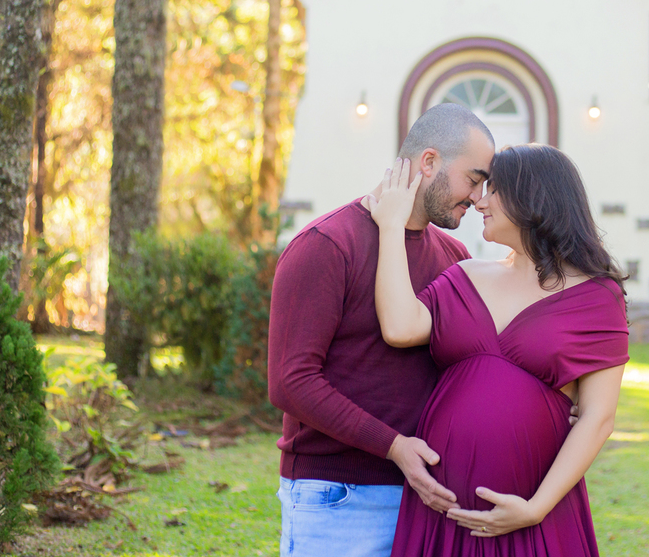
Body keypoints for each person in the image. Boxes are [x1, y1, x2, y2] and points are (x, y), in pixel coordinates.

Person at [367, 143, 629, 556]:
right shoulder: (466, 275)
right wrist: (391, 226)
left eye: (493, 190)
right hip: (443, 503)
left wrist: (535, 509)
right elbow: (400, 327)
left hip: (530, 506)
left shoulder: (598, 296)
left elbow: (598, 417)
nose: (479, 201)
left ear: (532, 198)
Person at [267, 103, 496, 557]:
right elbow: (290, 382)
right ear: (429, 162)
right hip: (337, 498)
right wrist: (393, 447)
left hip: (428, 499)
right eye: (473, 179)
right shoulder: (327, 245)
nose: (478, 197)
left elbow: (472, 365)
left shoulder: (454, 257)